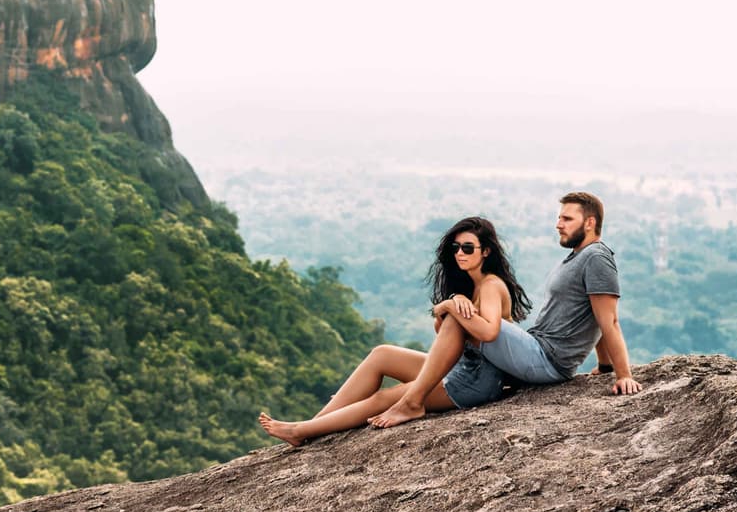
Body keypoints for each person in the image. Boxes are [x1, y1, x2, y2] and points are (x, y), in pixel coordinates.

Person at [259, 192, 642, 447]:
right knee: (381, 354)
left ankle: (403, 405)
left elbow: (608, 319)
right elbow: (588, 315)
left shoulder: (596, 258)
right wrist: (603, 365)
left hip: (540, 360)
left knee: (391, 392)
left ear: (589, 223)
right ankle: (314, 428)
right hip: (522, 353)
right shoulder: (578, 258)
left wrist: (622, 373)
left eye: (566, 218)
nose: (558, 224)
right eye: (559, 217)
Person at [259, 215, 530, 446]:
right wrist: (449, 306)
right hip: (460, 367)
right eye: (456, 247)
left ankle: (300, 431)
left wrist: (451, 306)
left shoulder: (491, 285)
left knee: (385, 398)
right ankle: (315, 424)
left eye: (468, 248)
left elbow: (490, 332)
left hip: (476, 382)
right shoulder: (471, 285)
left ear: (486, 252)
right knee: (382, 355)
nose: (460, 252)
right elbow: (445, 333)